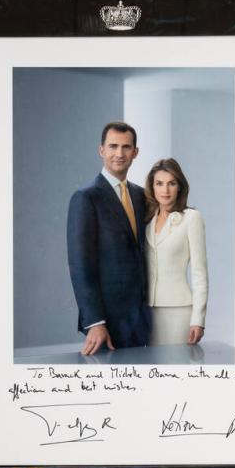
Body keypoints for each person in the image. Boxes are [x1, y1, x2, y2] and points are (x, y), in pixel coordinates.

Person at [67, 122, 151, 355]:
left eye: (126, 147)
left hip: (142, 319)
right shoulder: (86, 197)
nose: (119, 153)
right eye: (113, 146)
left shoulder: (141, 195)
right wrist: (95, 322)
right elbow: (80, 266)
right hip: (108, 322)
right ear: (101, 150)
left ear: (135, 152)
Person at [144, 158, 208, 346]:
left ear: (179, 187)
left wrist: (198, 319)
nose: (165, 190)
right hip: (147, 311)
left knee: (176, 369)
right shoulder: (147, 220)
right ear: (152, 187)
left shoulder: (191, 218)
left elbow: (200, 274)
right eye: (159, 184)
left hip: (178, 311)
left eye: (172, 183)